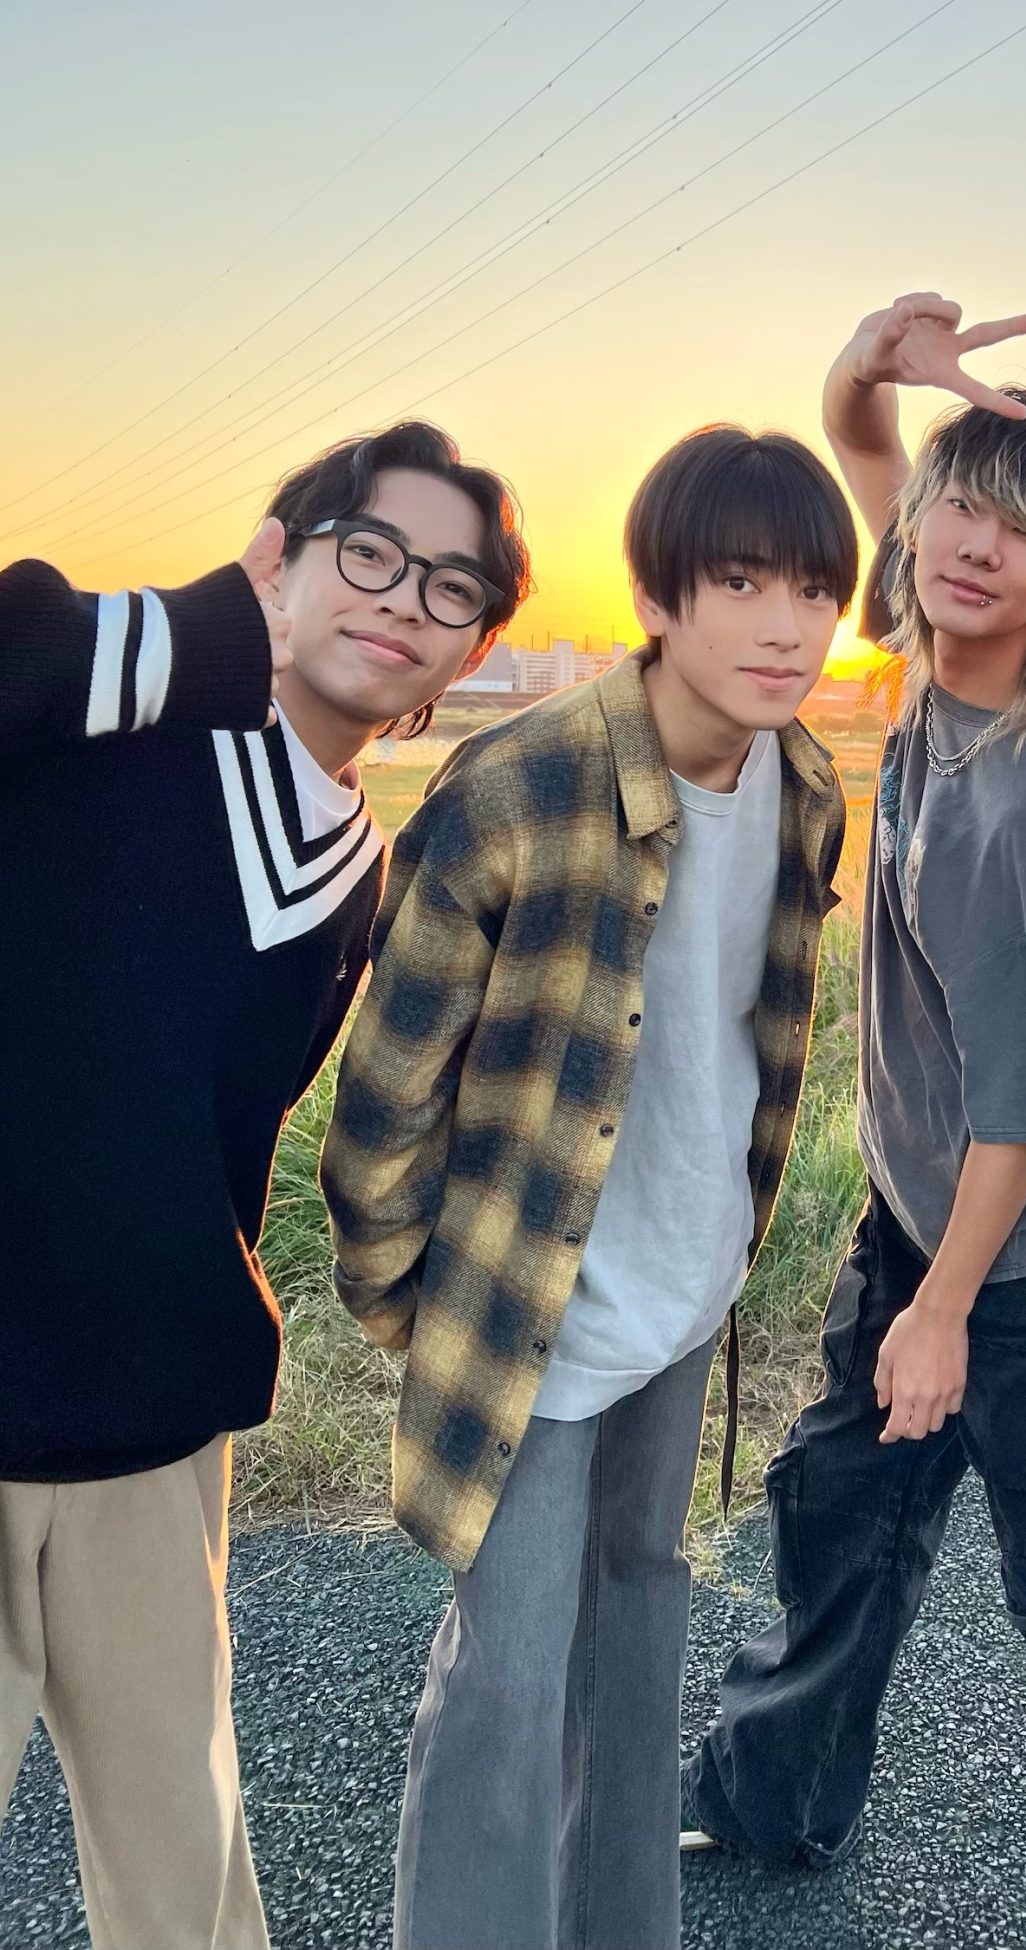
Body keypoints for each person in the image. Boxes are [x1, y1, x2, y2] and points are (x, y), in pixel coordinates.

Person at [681, 295, 1026, 1950]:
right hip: (921, 1215)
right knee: (842, 1519)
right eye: (960, 508)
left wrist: (943, 1315)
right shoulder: (936, 648)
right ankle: (771, 1797)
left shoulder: (1025, 802)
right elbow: (863, 445)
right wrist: (873, 359)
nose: (975, 546)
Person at [321, 423, 858, 1950]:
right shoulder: (521, 786)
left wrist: (722, 1247)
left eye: (814, 591)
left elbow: (754, 1034)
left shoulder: (806, 783)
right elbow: (386, 1093)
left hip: (684, 1291)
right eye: (740, 582)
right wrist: (422, 1306)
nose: (785, 626)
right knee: (508, 1685)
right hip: (527, 1316)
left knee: (638, 1633)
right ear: (659, 597)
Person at [0, 417, 527, 1950]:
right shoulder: (110, 734)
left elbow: (230, 1130)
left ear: (473, 650)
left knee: (185, 1853)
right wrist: (210, 625)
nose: (402, 598)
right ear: (279, 561)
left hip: (152, 1422)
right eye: (370, 552)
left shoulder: (359, 869)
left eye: (450, 587)